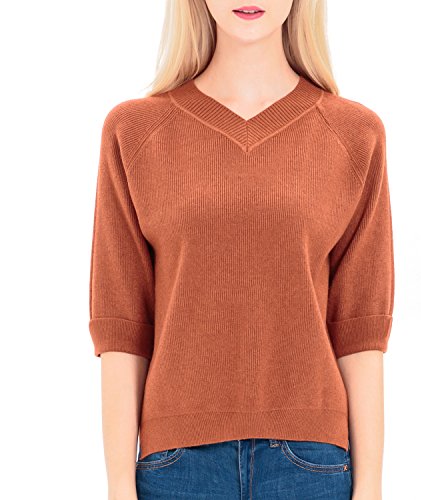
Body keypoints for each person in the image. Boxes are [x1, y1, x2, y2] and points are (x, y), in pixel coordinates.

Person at [88, 1, 395, 499]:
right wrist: (119, 487)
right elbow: (122, 325)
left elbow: (360, 329)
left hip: (312, 465)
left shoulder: (354, 134)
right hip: (176, 466)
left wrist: (371, 488)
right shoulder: (135, 132)